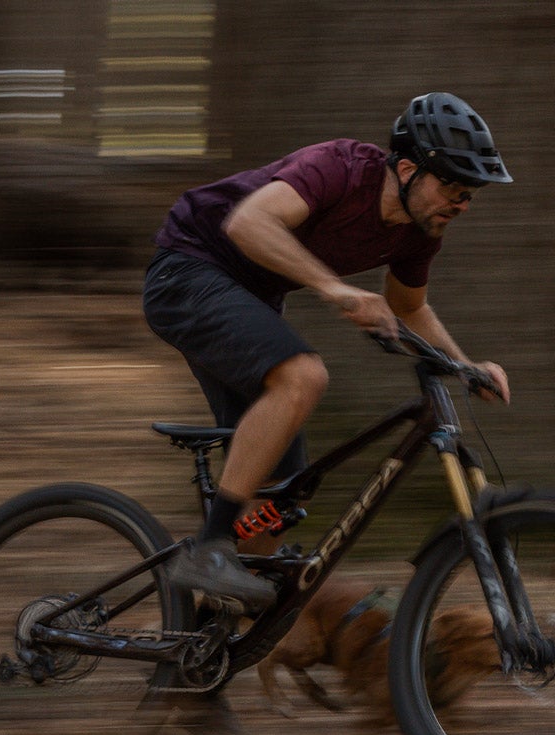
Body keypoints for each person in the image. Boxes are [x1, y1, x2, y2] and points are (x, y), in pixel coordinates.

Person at [143, 92, 513, 611]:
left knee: (284, 491)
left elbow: (408, 306)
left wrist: (466, 364)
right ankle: (210, 549)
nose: (463, 202)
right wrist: (333, 288)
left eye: (471, 192)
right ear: (406, 169)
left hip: (248, 299)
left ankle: (205, 645)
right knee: (304, 376)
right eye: (453, 185)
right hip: (187, 271)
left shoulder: (418, 231)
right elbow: (248, 222)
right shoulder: (337, 168)